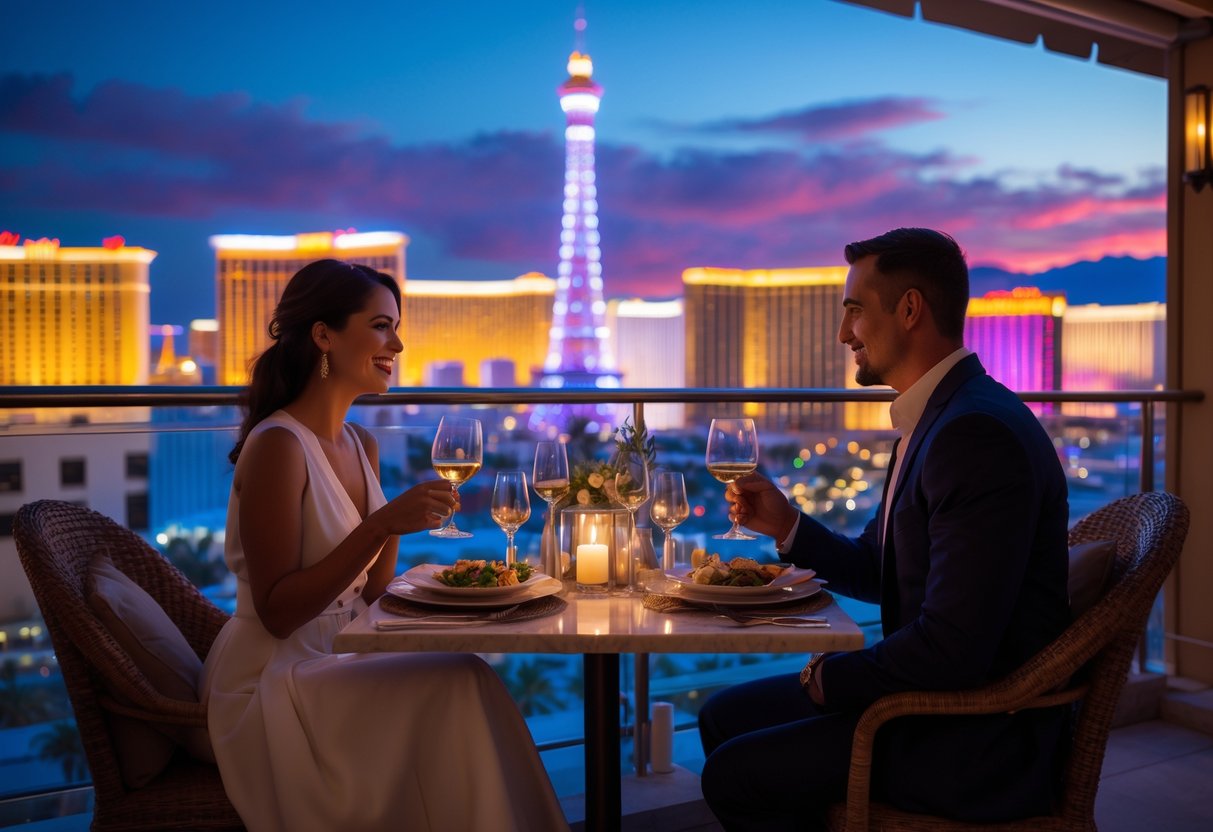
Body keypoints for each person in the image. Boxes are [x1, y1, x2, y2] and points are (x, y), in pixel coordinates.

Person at [697, 228, 1071, 830]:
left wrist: (829, 678)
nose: (844, 334)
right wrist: (788, 523)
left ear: (910, 310)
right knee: (722, 715)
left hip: (974, 739)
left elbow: (953, 650)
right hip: (938, 705)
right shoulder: (942, 415)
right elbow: (881, 567)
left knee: (732, 771)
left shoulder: (973, 436)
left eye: (854, 311)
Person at [200, 259, 568, 832]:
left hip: (344, 651)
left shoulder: (360, 443)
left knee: (464, 675)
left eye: (394, 327)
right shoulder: (278, 445)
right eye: (380, 326)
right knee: (459, 680)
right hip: (277, 676)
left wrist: (396, 530)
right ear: (324, 335)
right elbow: (277, 614)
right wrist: (379, 526)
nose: (396, 343)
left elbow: (370, 593)